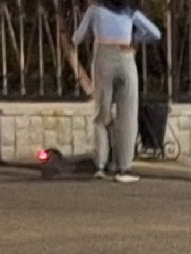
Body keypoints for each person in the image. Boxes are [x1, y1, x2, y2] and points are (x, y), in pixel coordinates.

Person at [67, 2, 162, 182]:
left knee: (102, 114)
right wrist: (135, 38)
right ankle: (124, 168)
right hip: (126, 58)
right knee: (128, 116)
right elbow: (155, 33)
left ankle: (100, 165)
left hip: (104, 57)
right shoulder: (130, 12)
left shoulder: (95, 10)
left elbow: (77, 37)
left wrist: (90, 34)